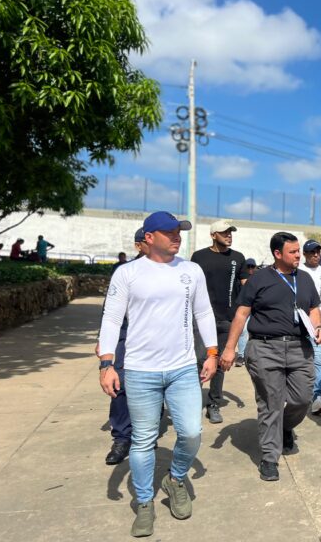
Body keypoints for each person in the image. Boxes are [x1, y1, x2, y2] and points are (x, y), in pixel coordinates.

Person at [97, 211, 218, 538]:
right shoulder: (128, 273)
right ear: (148, 237)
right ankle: (146, 503)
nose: (176, 236)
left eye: (178, 231)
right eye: (169, 232)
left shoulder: (191, 271)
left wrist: (211, 352)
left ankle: (176, 477)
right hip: (139, 370)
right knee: (143, 441)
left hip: (182, 369)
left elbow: (203, 312)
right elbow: (111, 319)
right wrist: (106, 363)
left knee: (192, 432)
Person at [219, 232, 321, 482]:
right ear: (278, 254)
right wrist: (230, 348)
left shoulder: (305, 279)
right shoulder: (260, 279)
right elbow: (242, 314)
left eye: (299, 251)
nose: (299, 256)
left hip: (300, 348)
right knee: (271, 403)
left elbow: (313, 308)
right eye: (293, 252)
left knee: (303, 398)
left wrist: (317, 327)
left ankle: (285, 427)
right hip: (265, 349)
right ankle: (269, 457)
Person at [190, 219, 248, 424]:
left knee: (221, 364)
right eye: (224, 232)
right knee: (199, 361)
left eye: (231, 232)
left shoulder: (238, 258)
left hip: (227, 320)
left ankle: (213, 404)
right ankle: (192, 402)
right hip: (200, 318)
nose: (229, 235)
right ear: (213, 235)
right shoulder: (199, 257)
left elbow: (246, 286)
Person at [99, 228, 147, 466]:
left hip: (156, 341)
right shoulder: (125, 271)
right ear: (140, 244)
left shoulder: (172, 270)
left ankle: (144, 434)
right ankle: (121, 438)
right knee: (121, 384)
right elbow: (110, 311)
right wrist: (103, 341)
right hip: (125, 335)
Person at [299, 239, 321, 415]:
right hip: (299, 324)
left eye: (318, 252)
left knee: (318, 361)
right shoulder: (298, 271)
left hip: (320, 324)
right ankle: (292, 396)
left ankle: (317, 398)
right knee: (297, 361)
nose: (316, 255)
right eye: (312, 252)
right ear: (305, 254)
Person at [235, 258, 257, 368]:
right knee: (243, 331)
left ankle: (250, 355)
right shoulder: (239, 281)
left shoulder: (258, 279)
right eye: (248, 267)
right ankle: (241, 355)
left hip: (256, 310)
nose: (250, 269)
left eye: (252, 267)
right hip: (243, 309)